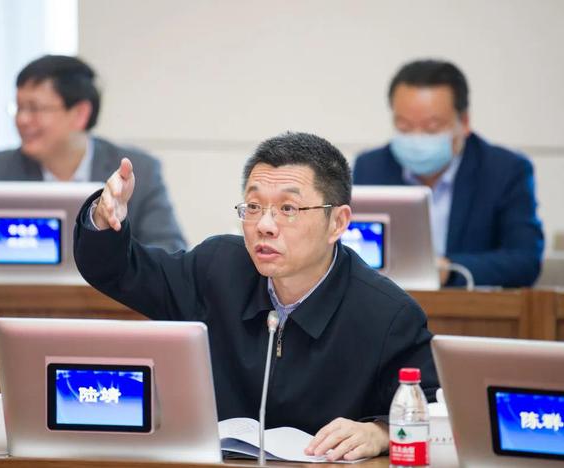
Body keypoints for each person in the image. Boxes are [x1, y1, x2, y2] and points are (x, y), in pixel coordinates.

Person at [74, 132, 439, 461]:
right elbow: (121, 271)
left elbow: (434, 408)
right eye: (253, 206)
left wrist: (381, 432)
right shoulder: (215, 269)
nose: (264, 225)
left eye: (288, 209)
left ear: (338, 223)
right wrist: (105, 219)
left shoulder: (387, 315)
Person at [353, 59, 544, 287]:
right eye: (404, 126)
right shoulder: (370, 167)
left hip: (469, 305)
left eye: (432, 127)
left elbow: (525, 260)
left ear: (464, 122)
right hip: (387, 302)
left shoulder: (505, 170)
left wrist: (449, 270)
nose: (417, 138)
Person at [0, 55, 185, 253]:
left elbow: (168, 250)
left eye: (34, 108)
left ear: (80, 114)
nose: (22, 120)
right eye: (19, 108)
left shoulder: (138, 171)